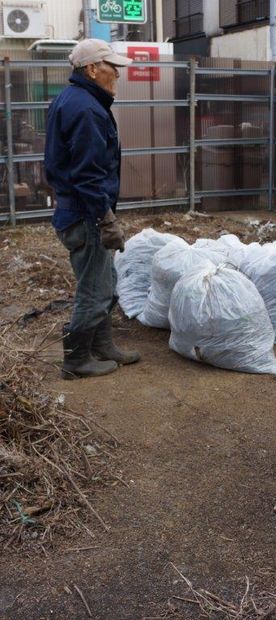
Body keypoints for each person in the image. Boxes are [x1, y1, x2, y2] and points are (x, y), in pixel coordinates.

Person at [45, 39, 140, 379]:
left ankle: (102, 346)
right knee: (94, 290)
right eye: (112, 66)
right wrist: (104, 217)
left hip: (80, 210)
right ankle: (76, 361)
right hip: (86, 214)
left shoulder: (78, 100)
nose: (118, 73)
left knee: (106, 282)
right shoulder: (85, 108)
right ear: (92, 69)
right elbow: (87, 174)